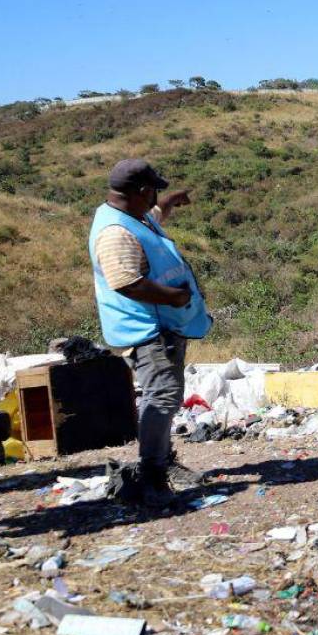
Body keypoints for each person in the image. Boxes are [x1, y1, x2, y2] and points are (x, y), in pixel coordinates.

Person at [89, 159, 213, 507]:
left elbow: (151, 222)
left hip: (163, 324)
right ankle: (152, 475)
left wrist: (169, 203)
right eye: (154, 190)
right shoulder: (115, 232)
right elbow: (126, 282)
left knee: (167, 394)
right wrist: (176, 296)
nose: (155, 196)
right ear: (141, 191)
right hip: (146, 329)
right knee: (162, 396)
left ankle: (161, 462)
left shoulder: (132, 216)